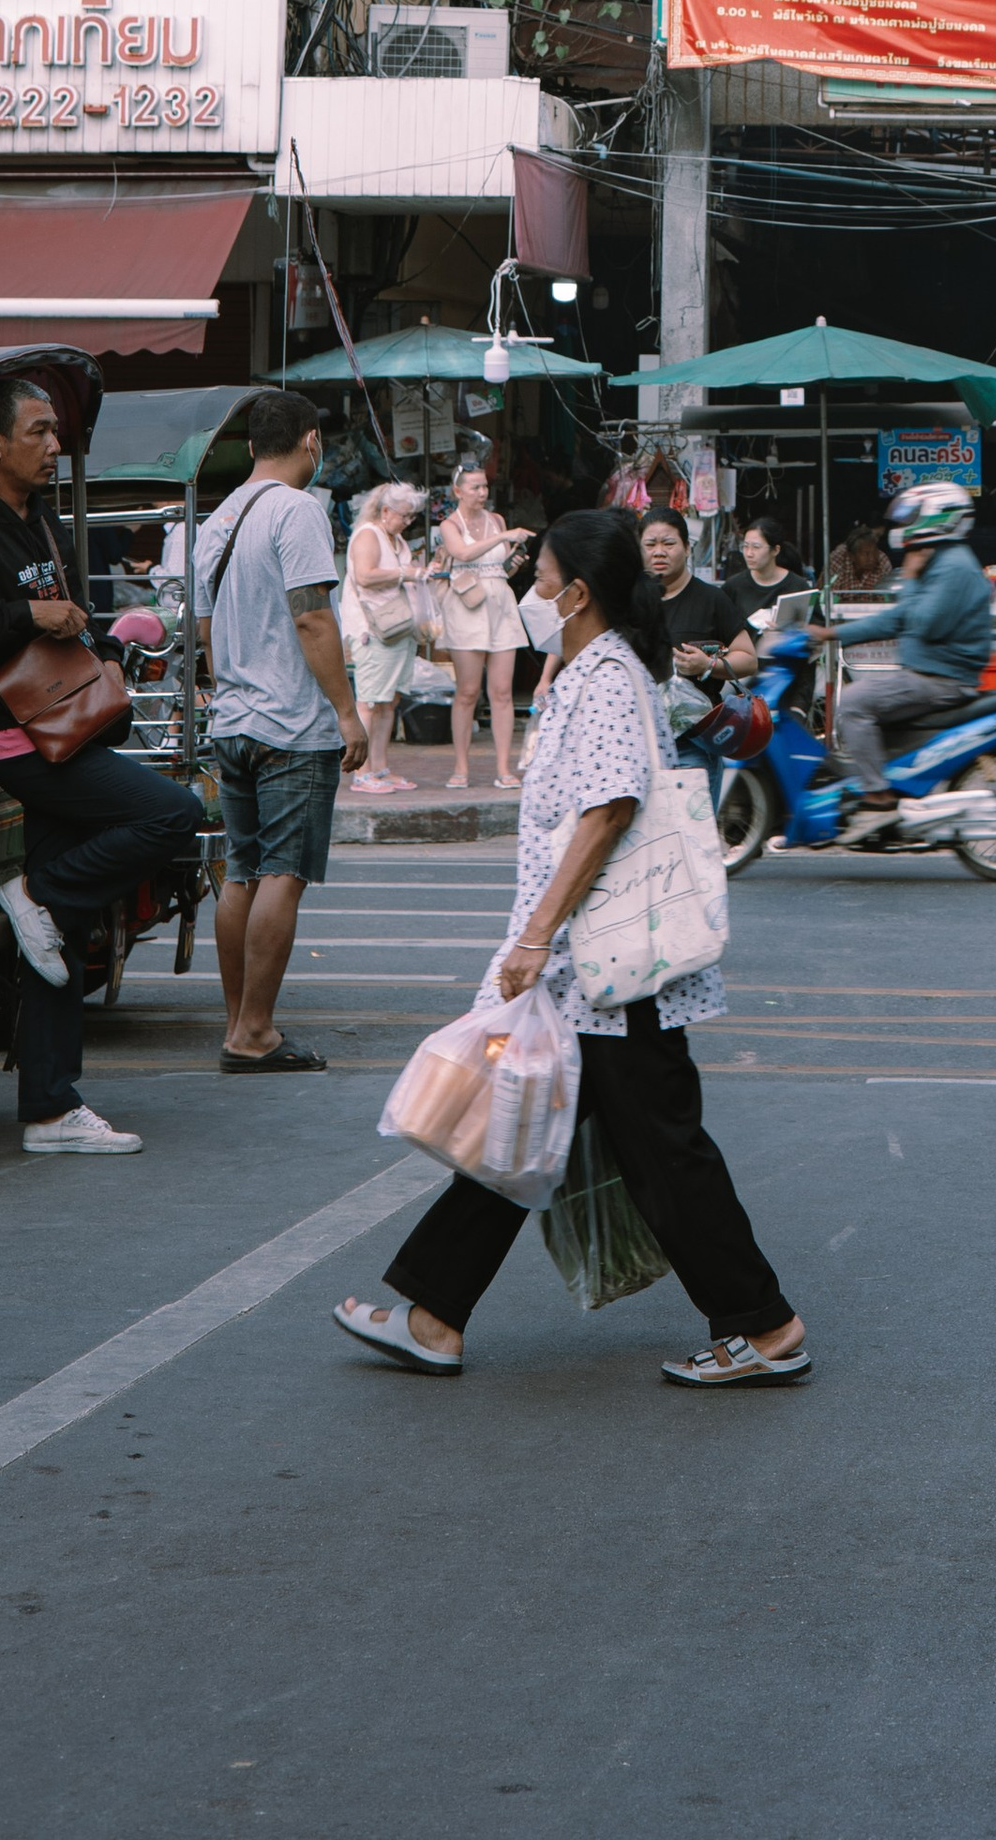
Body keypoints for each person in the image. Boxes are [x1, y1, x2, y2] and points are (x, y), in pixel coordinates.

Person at [333, 508, 806, 1389]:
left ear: (580, 592)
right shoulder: (595, 668)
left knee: (657, 1150)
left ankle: (765, 1325)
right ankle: (435, 1316)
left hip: (607, 969)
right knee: (528, 1126)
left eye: (542, 579)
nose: (532, 593)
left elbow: (608, 810)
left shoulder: (606, 676)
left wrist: (537, 935)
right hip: (592, 972)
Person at [0, 371, 207, 1155]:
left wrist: (103, 637)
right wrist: (25, 613)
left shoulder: (41, 518)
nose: (55, 446)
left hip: (68, 727)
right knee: (172, 813)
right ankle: (36, 891)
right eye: (40, 432)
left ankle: (50, 1110)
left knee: (58, 937)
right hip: (15, 740)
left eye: (57, 433)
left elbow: (61, 627)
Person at [198, 392, 370, 1073]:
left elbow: (207, 632)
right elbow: (313, 618)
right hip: (289, 726)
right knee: (282, 872)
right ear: (312, 441)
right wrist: (347, 711)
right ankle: (254, 1032)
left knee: (241, 873)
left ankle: (241, 1022)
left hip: (233, 720)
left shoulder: (220, 517)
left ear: (249, 449)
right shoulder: (299, 510)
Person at [815, 476, 993, 843]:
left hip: (941, 679)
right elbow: (899, 619)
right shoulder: (938, 560)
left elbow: (923, 624)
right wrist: (832, 634)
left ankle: (878, 799)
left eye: (912, 518)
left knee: (851, 702)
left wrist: (910, 577)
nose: (903, 528)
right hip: (927, 672)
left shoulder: (952, 566)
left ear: (937, 518)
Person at [434, 457, 533, 796]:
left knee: (502, 692)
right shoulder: (450, 524)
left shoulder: (496, 520)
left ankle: (504, 767)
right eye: (475, 487)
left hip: (499, 603)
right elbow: (461, 552)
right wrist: (504, 536)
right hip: (467, 606)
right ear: (458, 491)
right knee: (467, 691)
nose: (481, 492)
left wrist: (513, 562)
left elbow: (501, 569)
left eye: (484, 486)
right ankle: (461, 766)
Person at [342, 480, 427, 796]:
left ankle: (379, 767)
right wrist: (408, 573)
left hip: (398, 628)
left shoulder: (396, 539)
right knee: (369, 701)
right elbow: (364, 575)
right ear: (386, 510)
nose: (407, 521)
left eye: (410, 517)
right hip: (372, 630)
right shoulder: (369, 534)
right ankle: (361, 773)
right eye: (404, 515)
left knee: (390, 700)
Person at [640, 508, 755, 680]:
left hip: (701, 705)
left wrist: (708, 665)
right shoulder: (630, 601)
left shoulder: (712, 599)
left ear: (687, 548)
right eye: (650, 545)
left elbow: (749, 660)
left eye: (669, 543)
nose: (659, 552)